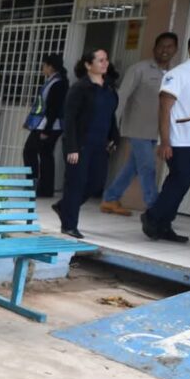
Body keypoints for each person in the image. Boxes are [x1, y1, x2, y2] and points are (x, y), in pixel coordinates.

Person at [101, 33, 179, 216]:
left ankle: (110, 198)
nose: (165, 50)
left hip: (157, 130)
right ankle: (155, 207)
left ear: (175, 49)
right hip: (137, 127)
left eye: (170, 47)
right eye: (162, 46)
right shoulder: (139, 69)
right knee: (147, 167)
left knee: (133, 167)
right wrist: (111, 125)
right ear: (154, 48)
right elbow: (121, 97)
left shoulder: (175, 73)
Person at [141, 33, 190, 243]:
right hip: (179, 139)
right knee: (180, 179)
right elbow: (164, 109)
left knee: (181, 182)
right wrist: (166, 141)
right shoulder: (178, 74)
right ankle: (152, 216)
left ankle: (164, 224)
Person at [52, 48, 120, 239]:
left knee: (97, 183)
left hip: (100, 145)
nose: (105, 63)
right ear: (88, 65)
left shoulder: (109, 88)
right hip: (80, 145)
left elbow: (110, 115)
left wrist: (114, 136)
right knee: (76, 184)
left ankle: (64, 206)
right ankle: (69, 225)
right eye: (100, 60)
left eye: (106, 60)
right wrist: (72, 147)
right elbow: (70, 119)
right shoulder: (80, 88)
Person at [22, 53, 69, 197]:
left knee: (31, 151)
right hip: (46, 125)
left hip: (49, 126)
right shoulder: (53, 81)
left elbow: (53, 108)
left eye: (44, 65)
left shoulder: (58, 83)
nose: (42, 68)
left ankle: (35, 184)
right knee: (44, 154)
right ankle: (43, 188)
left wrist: (46, 130)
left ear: (50, 67)